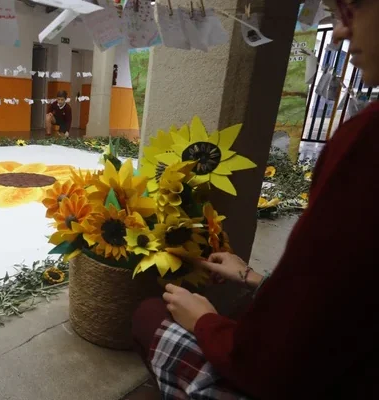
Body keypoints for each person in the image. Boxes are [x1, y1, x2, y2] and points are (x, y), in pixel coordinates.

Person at [132, 1, 379, 399]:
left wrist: (205, 323)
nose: (339, 32)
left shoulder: (367, 142)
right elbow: (340, 299)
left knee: (149, 316)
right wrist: (252, 278)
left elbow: (276, 360)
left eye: (351, 9)